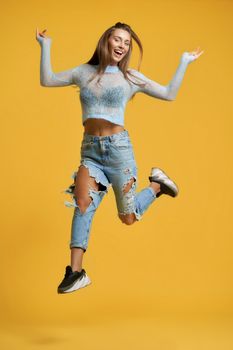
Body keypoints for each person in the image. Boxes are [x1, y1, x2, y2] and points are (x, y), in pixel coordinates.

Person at [36, 22, 204, 294]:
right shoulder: (83, 72)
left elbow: (169, 94)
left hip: (118, 152)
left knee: (128, 218)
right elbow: (48, 79)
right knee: (82, 203)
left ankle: (156, 186)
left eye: (127, 43)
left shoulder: (131, 78)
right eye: (118, 40)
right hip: (90, 150)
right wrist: (46, 46)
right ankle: (76, 273)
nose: (122, 46)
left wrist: (184, 62)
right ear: (106, 41)